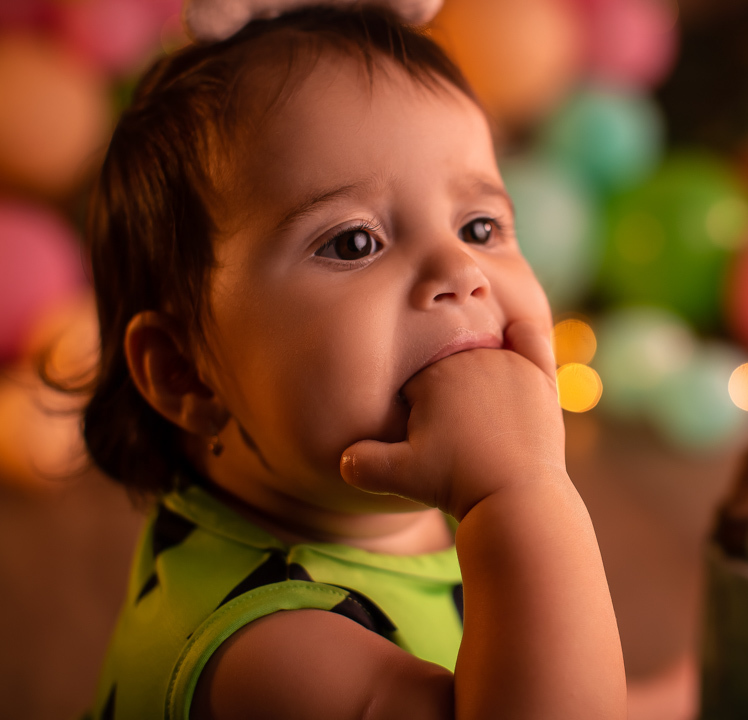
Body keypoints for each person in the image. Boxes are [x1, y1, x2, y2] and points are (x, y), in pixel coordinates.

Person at [81, 6, 626, 719]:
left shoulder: (382, 510)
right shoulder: (272, 655)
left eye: (480, 226)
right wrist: (525, 495)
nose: (459, 270)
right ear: (187, 370)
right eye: (354, 243)